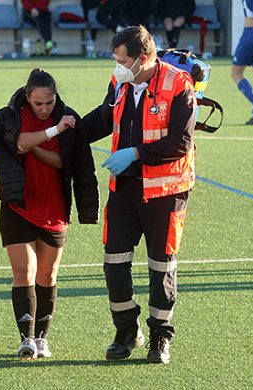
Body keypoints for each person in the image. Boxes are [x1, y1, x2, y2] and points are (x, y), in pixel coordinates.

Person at [81, 26, 197, 364]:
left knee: (161, 267)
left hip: (165, 191)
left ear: (143, 58)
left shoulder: (179, 85)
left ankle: (160, 337)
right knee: (114, 262)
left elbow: (180, 142)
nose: (117, 65)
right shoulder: (119, 82)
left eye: (122, 59)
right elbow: (105, 117)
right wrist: (65, 133)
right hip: (124, 188)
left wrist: (134, 154)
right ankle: (126, 332)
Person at [0, 69, 99, 360]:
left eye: (49, 102)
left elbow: (63, 160)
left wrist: (32, 146)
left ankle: (42, 338)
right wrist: (52, 132)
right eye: (38, 104)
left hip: (54, 208)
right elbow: (18, 141)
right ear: (27, 97)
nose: (44, 108)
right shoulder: (12, 117)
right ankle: (26, 339)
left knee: (48, 274)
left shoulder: (69, 117)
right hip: (19, 205)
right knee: (25, 272)